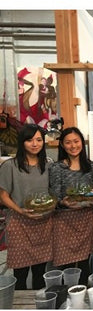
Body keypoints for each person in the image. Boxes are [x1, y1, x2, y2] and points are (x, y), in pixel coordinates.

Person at [0, 124, 53, 289]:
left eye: (39, 140)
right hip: (18, 223)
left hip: (43, 223)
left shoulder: (48, 165)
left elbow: (53, 192)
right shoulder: (10, 166)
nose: (35, 144)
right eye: (29, 140)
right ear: (22, 142)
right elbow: (3, 196)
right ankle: (20, 303)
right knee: (20, 273)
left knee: (40, 272)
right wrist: (21, 211)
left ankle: (39, 302)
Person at [49, 127, 93, 285]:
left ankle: (83, 295)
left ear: (82, 143)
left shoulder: (91, 167)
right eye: (68, 142)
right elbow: (55, 197)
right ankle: (67, 296)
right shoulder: (57, 168)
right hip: (64, 222)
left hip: (86, 220)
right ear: (62, 145)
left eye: (76, 141)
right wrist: (63, 202)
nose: (73, 146)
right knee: (65, 265)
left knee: (85, 264)